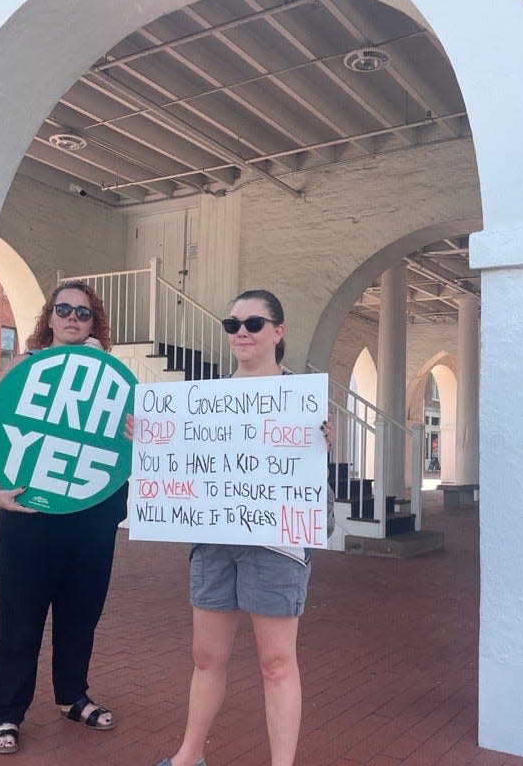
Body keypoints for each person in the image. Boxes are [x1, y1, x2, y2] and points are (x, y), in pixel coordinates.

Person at [138, 290, 330, 766]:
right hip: (214, 541)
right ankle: (189, 755)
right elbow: (182, 461)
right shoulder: (202, 402)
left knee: (277, 662)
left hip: (275, 545)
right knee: (206, 656)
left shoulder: (301, 401)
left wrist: (325, 443)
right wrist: (148, 438)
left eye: (253, 323)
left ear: (278, 332)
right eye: (232, 324)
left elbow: (309, 476)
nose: (241, 331)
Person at [0, 281, 128, 755]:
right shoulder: (21, 370)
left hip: (92, 516)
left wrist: (138, 432)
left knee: (81, 615)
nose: (72, 317)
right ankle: (7, 712)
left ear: (94, 323)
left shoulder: (112, 378)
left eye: (82, 313)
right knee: (20, 618)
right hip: (28, 515)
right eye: (63, 309)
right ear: (49, 318)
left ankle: (72, 696)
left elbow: (130, 446)